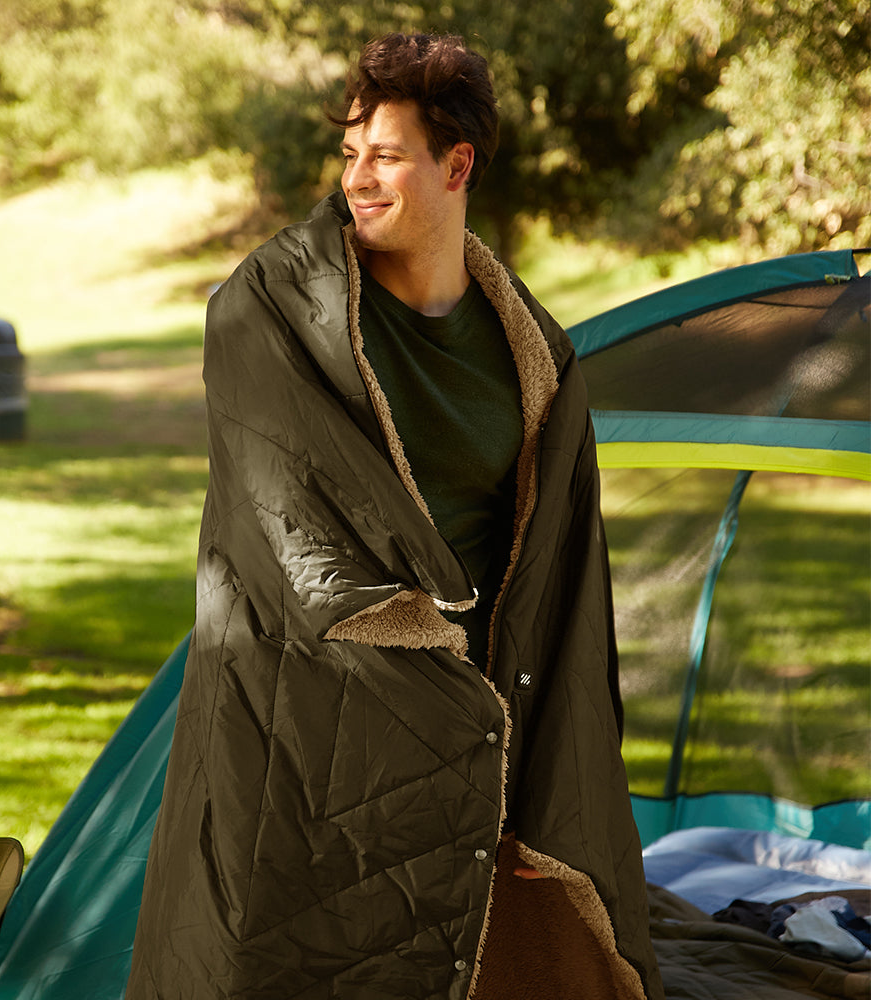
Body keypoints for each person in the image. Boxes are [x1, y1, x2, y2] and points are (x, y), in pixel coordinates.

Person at [126, 32, 663, 1000]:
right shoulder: (273, 306)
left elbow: (553, 569)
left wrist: (536, 756)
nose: (358, 179)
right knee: (292, 946)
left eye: (386, 156)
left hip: (483, 712)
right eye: (349, 153)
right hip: (311, 700)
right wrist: (428, 660)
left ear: (456, 165)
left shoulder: (531, 346)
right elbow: (288, 521)